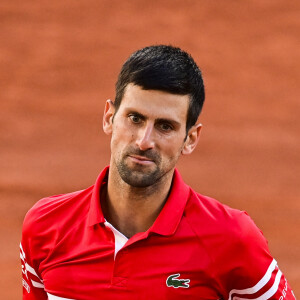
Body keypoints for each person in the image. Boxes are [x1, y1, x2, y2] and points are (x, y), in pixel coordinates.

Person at [20, 45, 296, 300]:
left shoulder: (233, 239)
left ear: (190, 139)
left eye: (165, 126)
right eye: (135, 118)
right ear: (109, 118)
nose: (144, 141)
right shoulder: (45, 226)